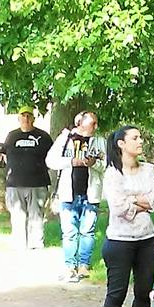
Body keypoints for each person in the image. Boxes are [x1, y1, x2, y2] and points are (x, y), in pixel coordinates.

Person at [100, 126, 154, 307]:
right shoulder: (113, 174)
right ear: (121, 144)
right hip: (119, 241)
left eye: (140, 136)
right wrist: (141, 202)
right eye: (135, 138)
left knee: (143, 293)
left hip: (146, 240)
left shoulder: (148, 170)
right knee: (116, 293)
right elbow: (117, 208)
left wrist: (132, 200)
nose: (140, 141)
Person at [45, 111, 105, 283]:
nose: (95, 126)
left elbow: (106, 165)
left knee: (88, 231)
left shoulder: (99, 141)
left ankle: (84, 265)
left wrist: (94, 164)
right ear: (80, 123)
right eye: (92, 123)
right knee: (69, 232)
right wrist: (71, 162)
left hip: (90, 193)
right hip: (68, 193)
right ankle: (70, 265)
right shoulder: (65, 139)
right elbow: (51, 161)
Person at [1, 107, 53, 251]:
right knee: (17, 216)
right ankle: (19, 244)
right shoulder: (11, 136)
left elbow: (52, 157)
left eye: (29, 116)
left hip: (37, 183)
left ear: (33, 118)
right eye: (23, 116)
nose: (26, 119)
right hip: (14, 183)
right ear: (19, 118)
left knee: (36, 215)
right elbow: (4, 155)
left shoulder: (43, 137)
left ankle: (35, 244)